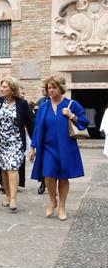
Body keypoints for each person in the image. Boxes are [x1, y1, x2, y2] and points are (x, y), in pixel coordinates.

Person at [30, 75, 88, 221]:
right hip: (47, 147)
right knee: (48, 175)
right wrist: (33, 147)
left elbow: (84, 122)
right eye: (49, 88)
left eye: (54, 87)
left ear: (61, 88)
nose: (51, 90)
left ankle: (62, 206)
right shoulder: (43, 107)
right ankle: (53, 200)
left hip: (66, 147)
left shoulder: (71, 104)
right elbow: (37, 128)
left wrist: (72, 116)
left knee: (63, 177)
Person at [0, 77, 33, 212]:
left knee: (12, 168)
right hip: (0, 142)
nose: (2, 89)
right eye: (2, 87)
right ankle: (7, 196)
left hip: (16, 142)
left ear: (12, 88)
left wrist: (34, 144)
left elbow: (30, 124)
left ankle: (13, 199)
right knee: (4, 168)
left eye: (5, 87)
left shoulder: (22, 104)